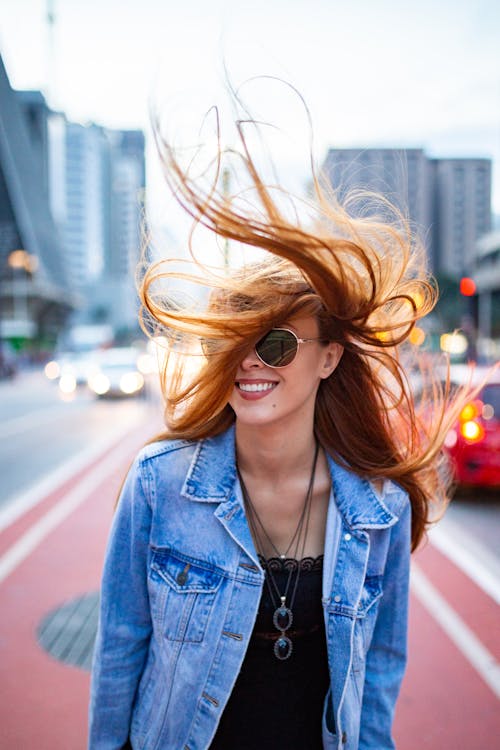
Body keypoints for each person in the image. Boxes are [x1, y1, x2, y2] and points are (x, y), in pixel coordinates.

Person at [88, 102, 468, 750]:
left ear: (328, 358)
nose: (251, 363)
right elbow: (119, 653)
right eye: (234, 341)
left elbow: (377, 676)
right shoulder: (159, 486)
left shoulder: (381, 510)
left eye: (277, 344)